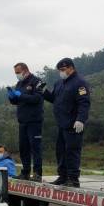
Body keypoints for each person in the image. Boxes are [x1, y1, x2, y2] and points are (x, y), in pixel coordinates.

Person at [40, 57, 91, 187]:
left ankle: (73, 179)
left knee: (72, 151)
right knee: (61, 152)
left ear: (71, 68)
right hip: (62, 124)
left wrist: (81, 119)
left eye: (63, 69)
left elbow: (84, 103)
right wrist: (44, 91)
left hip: (74, 124)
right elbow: (54, 99)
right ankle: (63, 177)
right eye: (59, 70)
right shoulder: (59, 83)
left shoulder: (79, 83)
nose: (61, 72)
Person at [7, 62, 43, 181]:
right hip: (22, 121)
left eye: (18, 72)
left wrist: (21, 96)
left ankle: (37, 174)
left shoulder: (37, 82)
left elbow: (37, 99)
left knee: (35, 148)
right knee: (24, 148)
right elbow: (18, 101)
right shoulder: (19, 83)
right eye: (16, 73)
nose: (17, 75)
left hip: (34, 121)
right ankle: (25, 172)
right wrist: (12, 98)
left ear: (25, 70)